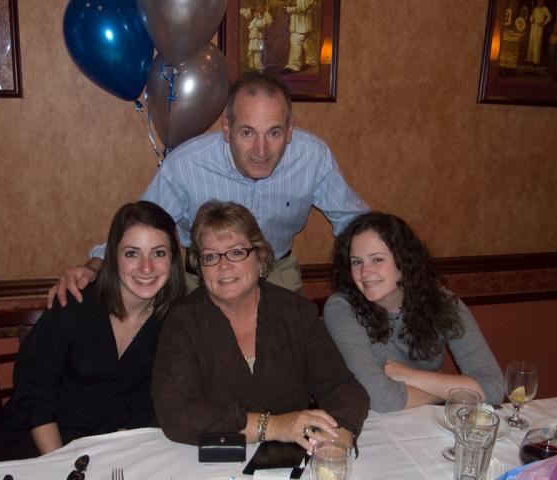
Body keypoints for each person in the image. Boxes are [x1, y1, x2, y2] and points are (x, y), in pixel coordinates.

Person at [48, 71, 367, 306]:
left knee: (289, 363)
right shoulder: (186, 164)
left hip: (276, 270)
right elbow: (138, 230)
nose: (260, 150)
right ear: (227, 129)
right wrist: (94, 266)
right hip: (201, 275)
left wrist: (388, 263)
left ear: (290, 130)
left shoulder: (314, 157)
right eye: (247, 132)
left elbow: (355, 222)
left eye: (273, 133)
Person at [151, 201, 369, 451]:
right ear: (200, 268)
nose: (223, 266)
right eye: (210, 256)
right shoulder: (182, 321)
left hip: (289, 460)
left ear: (260, 258)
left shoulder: (296, 312)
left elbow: (342, 387)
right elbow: (177, 414)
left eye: (236, 252)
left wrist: (340, 433)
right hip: (210, 464)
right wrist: (273, 426)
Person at [0, 201, 185, 460]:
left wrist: (111, 458)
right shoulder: (75, 304)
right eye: (132, 253)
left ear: (172, 260)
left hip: (101, 450)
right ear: (113, 257)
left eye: (158, 253)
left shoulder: (169, 323)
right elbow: (36, 397)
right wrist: (62, 465)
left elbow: (143, 406)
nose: (146, 267)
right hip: (37, 446)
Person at [323, 212, 504, 414]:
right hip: (372, 424)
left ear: (404, 260)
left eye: (377, 259)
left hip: (429, 422)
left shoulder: (442, 302)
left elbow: (495, 387)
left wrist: (410, 376)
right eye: (357, 262)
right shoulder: (342, 308)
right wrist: (448, 390)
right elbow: (380, 399)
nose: (365, 272)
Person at [283, 0, 318, 73]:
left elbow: (307, 4)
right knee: (306, 42)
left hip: (304, 20)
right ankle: (312, 61)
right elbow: (289, 8)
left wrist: (295, 3)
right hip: (296, 21)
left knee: (300, 41)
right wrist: (290, 5)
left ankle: (294, 65)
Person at [240, 2, 273, 72]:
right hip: (252, 39)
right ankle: (252, 67)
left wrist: (266, 12)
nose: (255, 13)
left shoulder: (262, 20)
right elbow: (243, 11)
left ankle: (259, 68)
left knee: (258, 54)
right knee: (251, 53)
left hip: (258, 40)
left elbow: (267, 22)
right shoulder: (253, 20)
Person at [526, 0, 552, 65]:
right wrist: (531, 19)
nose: (539, 3)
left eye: (541, 1)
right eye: (538, 1)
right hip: (533, 26)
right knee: (531, 42)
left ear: (543, 2)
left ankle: (535, 61)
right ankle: (529, 59)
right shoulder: (535, 9)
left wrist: (544, 23)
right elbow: (531, 17)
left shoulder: (545, 9)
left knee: (537, 43)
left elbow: (550, 16)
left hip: (539, 27)